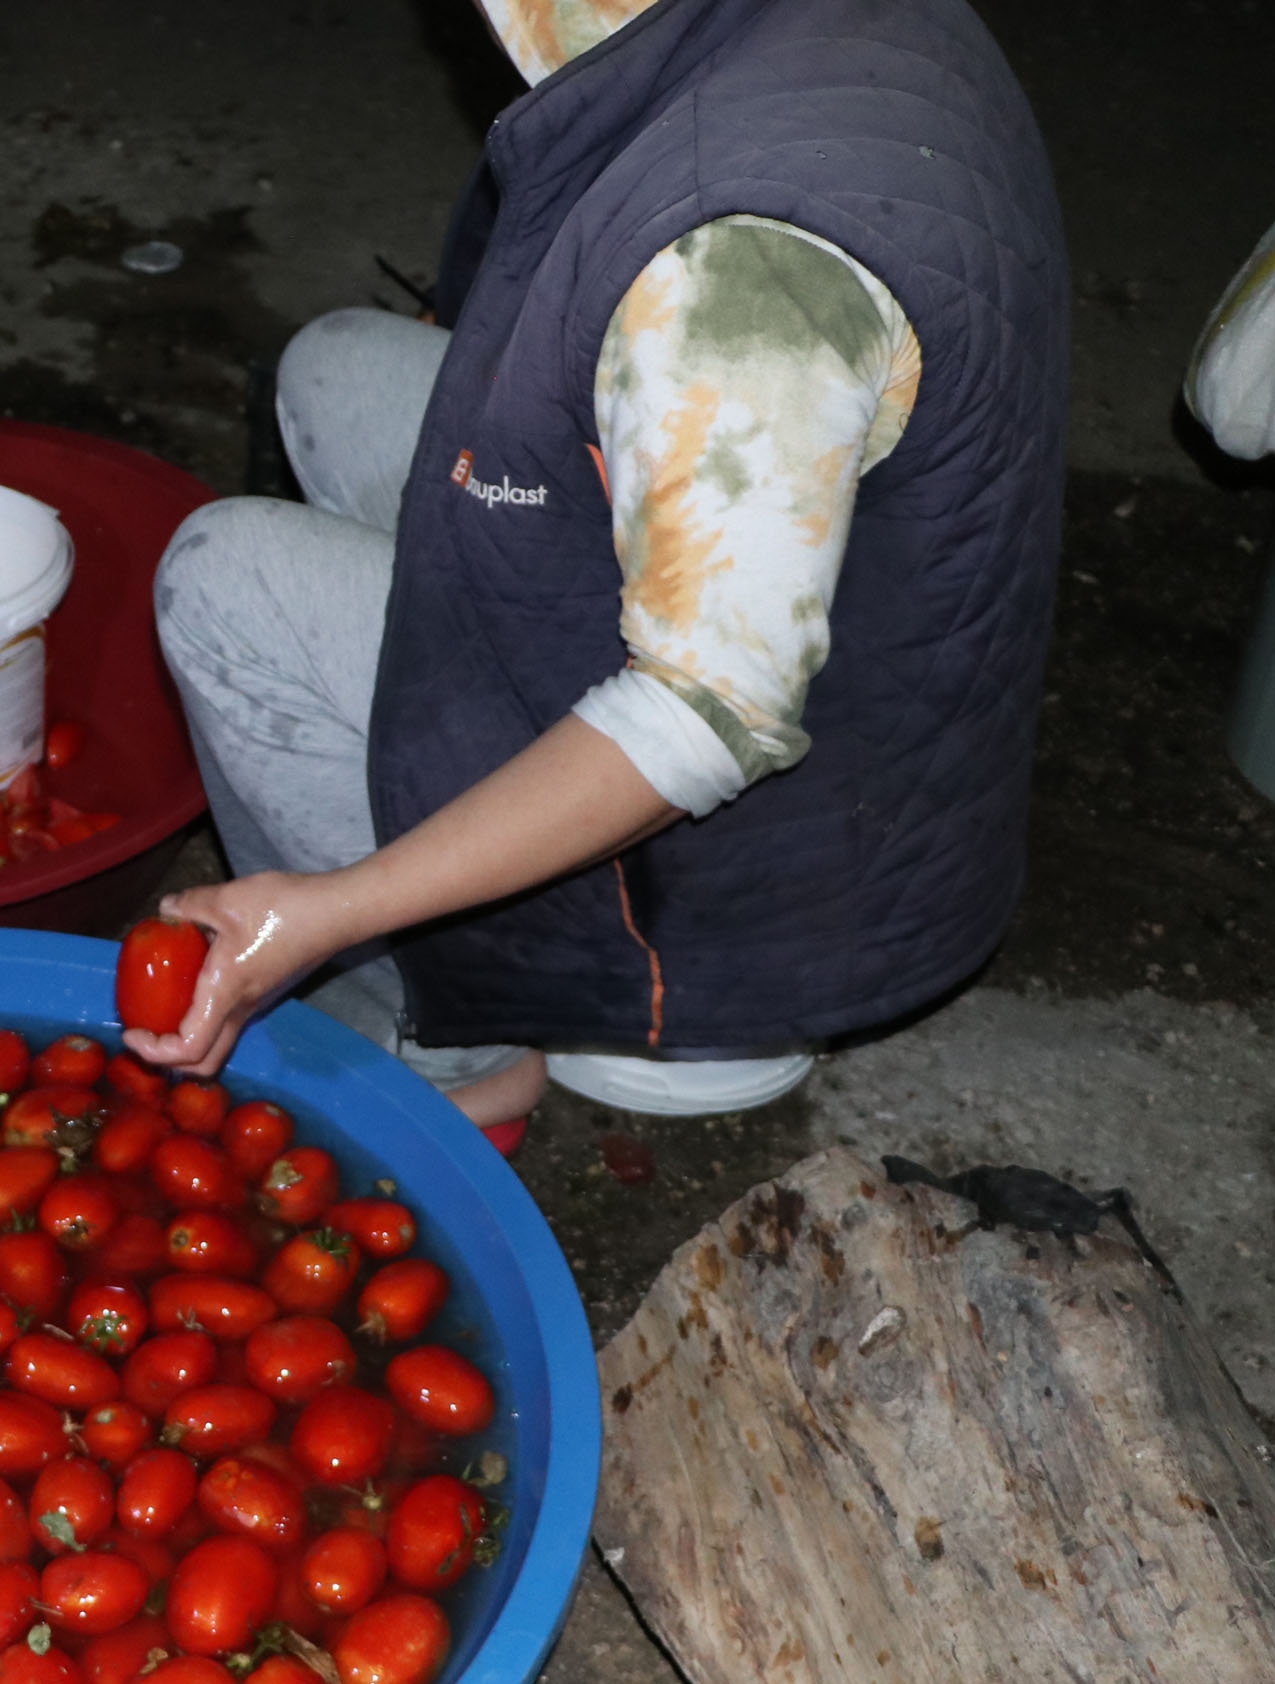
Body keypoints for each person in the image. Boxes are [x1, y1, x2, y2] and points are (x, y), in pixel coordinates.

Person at [136, 0, 1067, 1139]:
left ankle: (455, 1048)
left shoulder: (741, 267)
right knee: (333, 370)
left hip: (762, 877)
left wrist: (329, 911)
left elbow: (703, 717)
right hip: (867, 670)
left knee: (223, 583)